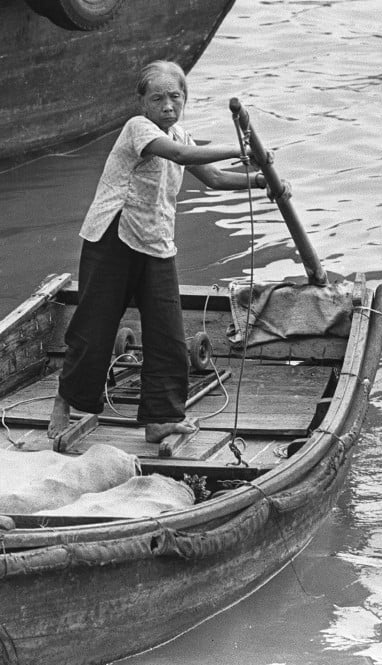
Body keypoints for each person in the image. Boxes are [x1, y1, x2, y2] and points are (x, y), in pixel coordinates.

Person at [48, 60, 268, 444]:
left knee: (168, 331)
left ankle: (161, 418)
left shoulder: (181, 133)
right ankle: (64, 403)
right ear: (143, 103)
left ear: (185, 99)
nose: (168, 105)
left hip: (155, 241)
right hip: (113, 237)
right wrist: (241, 148)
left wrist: (259, 179)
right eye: (158, 98)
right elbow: (181, 157)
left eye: (175, 97)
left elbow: (214, 178)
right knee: (95, 326)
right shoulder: (138, 129)